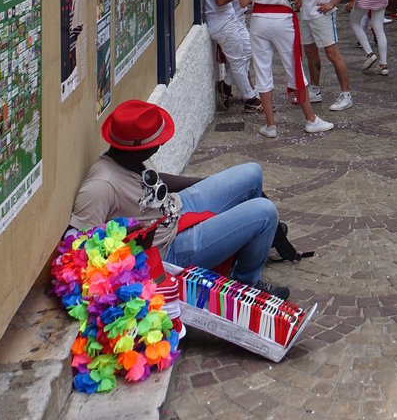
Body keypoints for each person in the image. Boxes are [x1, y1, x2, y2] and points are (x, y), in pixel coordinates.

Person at [68, 99, 288, 297]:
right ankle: (246, 283)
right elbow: (77, 247)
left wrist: (206, 183)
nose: (161, 145)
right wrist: (128, 242)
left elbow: (156, 180)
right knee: (264, 212)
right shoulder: (101, 187)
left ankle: (250, 243)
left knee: (251, 173)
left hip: (176, 209)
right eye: (156, 143)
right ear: (135, 150)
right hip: (168, 248)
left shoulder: (128, 157)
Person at [240, 0, 334, 137]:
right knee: (294, 69)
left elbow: (244, 2)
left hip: (259, 20)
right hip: (283, 20)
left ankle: (270, 125)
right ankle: (310, 119)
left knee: (262, 70)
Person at [203, 0, 261, 113]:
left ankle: (226, 85)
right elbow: (220, 0)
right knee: (237, 60)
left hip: (228, 18)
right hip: (222, 20)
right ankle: (250, 99)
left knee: (247, 52)